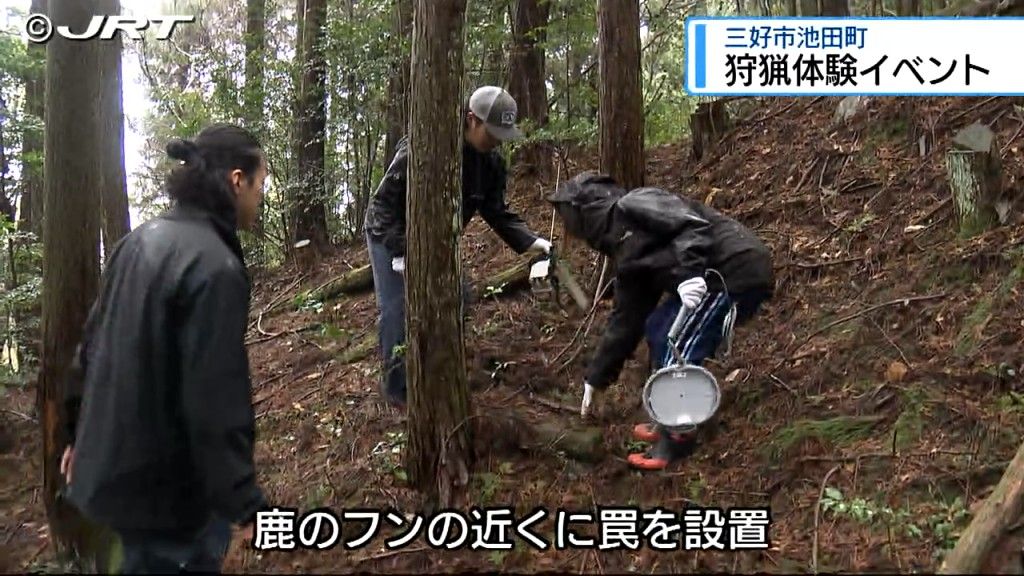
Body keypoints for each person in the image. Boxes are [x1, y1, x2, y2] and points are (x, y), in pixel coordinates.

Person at [61, 124, 270, 573]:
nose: (260, 197)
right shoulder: (216, 267)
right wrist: (244, 501)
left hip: (111, 482)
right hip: (168, 504)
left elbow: (90, 349)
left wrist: (77, 435)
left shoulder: (137, 241)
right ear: (237, 180)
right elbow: (213, 399)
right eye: (260, 183)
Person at [546, 171, 775, 471]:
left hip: (731, 272)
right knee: (656, 328)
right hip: (708, 277)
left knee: (677, 344)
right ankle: (667, 415)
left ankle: (676, 438)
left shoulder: (635, 203)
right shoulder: (626, 254)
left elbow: (692, 226)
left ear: (585, 210)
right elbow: (626, 320)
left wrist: (691, 274)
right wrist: (596, 379)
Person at [364, 85, 552, 409]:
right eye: (492, 132)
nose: (497, 140)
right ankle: (398, 395)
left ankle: (438, 371)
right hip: (389, 235)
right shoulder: (423, 147)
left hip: (439, 240)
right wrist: (400, 252)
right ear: (471, 120)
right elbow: (382, 206)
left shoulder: (490, 164)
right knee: (397, 311)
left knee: (460, 298)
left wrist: (531, 241)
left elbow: (496, 210)